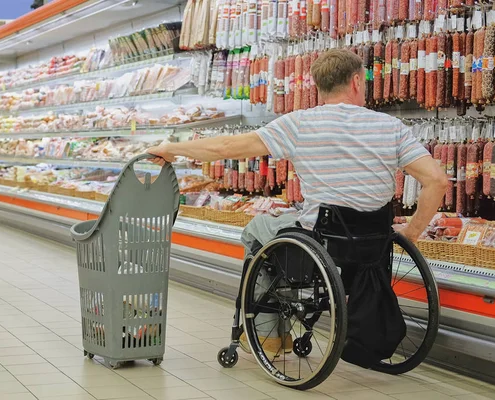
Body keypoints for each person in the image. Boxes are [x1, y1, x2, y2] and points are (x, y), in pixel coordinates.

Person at [147, 49, 448, 357]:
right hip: (373, 243)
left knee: (256, 230)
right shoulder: (391, 127)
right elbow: (437, 181)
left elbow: (226, 146)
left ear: (318, 86)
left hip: (321, 241)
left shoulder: (299, 123)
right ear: (357, 81)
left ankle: (267, 335)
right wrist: (411, 232)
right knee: (278, 227)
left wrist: (172, 147)